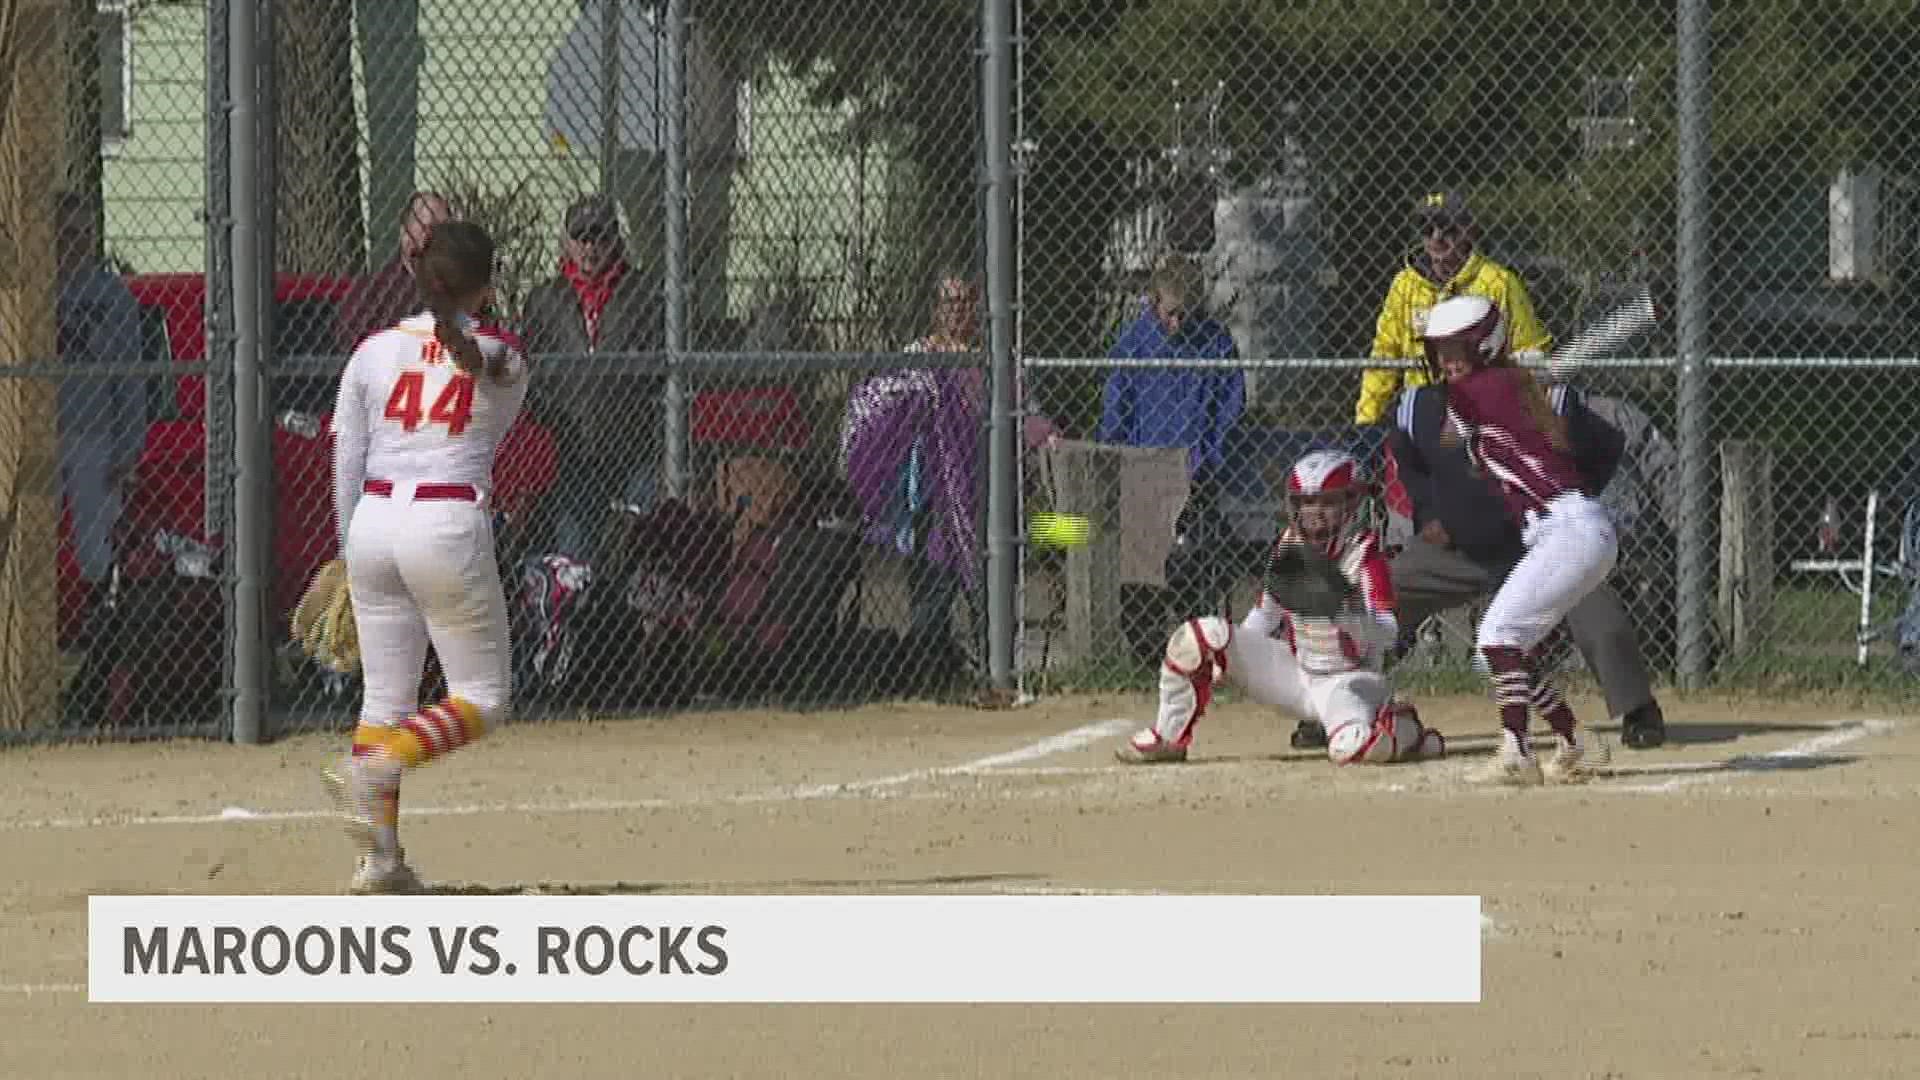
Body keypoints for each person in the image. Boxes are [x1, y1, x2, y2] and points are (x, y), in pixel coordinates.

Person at [319, 221, 532, 894]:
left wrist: (345, 551)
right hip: (445, 519)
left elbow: (345, 456)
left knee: (384, 696)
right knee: (483, 699)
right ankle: (382, 766)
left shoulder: (371, 352)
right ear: (487, 287)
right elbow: (491, 366)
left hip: (374, 520)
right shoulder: (504, 354)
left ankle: (379, 861)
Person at [1336, 367, 1669, 753]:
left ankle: (1638, 709)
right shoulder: (1419, 407)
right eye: (1444, 349)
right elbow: (1407, 459)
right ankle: (1338, 705)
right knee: (1372, 597)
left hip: (1543, 546)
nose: (1454, 362)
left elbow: (1604, 448)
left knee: (1599, 617)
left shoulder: (1541, 397)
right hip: (1463, 548)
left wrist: (1571, 497)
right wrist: (1428, 515)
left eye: (1464, 349)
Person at [1114, 449, 1446, 767]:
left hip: (1348, 681)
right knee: (1199, 636)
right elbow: (1265, 615)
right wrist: (1229, 655)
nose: (1315, 513)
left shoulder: (1365, 555)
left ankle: (1406, 732)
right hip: (1297, 673)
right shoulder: (1292, 549)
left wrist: (1349, 613)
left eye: (1328, 502)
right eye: (1306, 503)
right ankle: (1168, 738)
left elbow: (1388, 633)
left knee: (1352, 748)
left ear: (1352, 503)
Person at [1418, 294, 1619, 786]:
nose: (1445, 362)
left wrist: (1515, 375)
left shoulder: (1489, 388)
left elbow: (1449, 418)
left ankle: (1517, 751)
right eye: (1439, 351)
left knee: (1497, 634)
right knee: (1507, 649)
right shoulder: (1496, 389)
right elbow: (1449, 432)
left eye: (1456, 350)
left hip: (1569, 528)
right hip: (1567, 531)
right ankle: (1574, 741)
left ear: (1485, 345)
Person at [1355, 191, 1551, 427]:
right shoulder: (1405, 285)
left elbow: (1532, 350)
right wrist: (1367, 420)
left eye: (1447, 228)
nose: (1437, 237)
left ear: (1468, 230)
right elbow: (1384, 356)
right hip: (1422, 411)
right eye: (1427, 229)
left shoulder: (1499, 282)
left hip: (1485, 412)